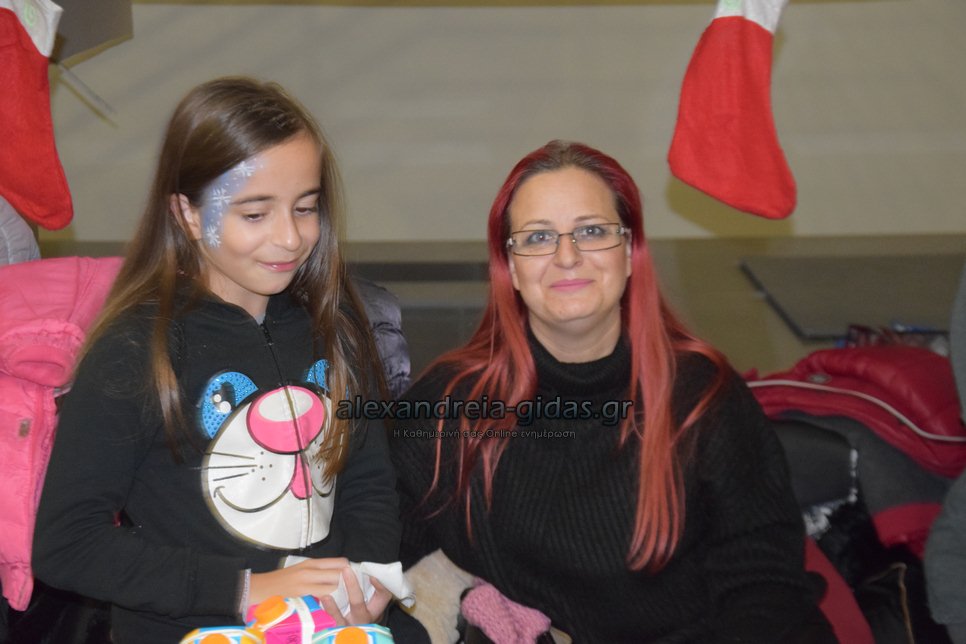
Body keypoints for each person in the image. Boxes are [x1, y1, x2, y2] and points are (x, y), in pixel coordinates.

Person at [390, 140, 837, 643]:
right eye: (538, 237)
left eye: (592, 231)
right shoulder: (452, 406)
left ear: (628, 253)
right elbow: (368, 545)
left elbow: (766, 592)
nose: (567, 256)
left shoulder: (702, 398)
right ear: (510, 267)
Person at [32, 77, 401, 643]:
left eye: (305, 208)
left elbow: (369, 482)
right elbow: (68, 544)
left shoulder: (338, 326)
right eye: (254, 215)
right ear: (187, 213)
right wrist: (244, 589)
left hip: (323, 626)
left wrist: (368, 577)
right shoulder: (136, 349)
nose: (290, 238)